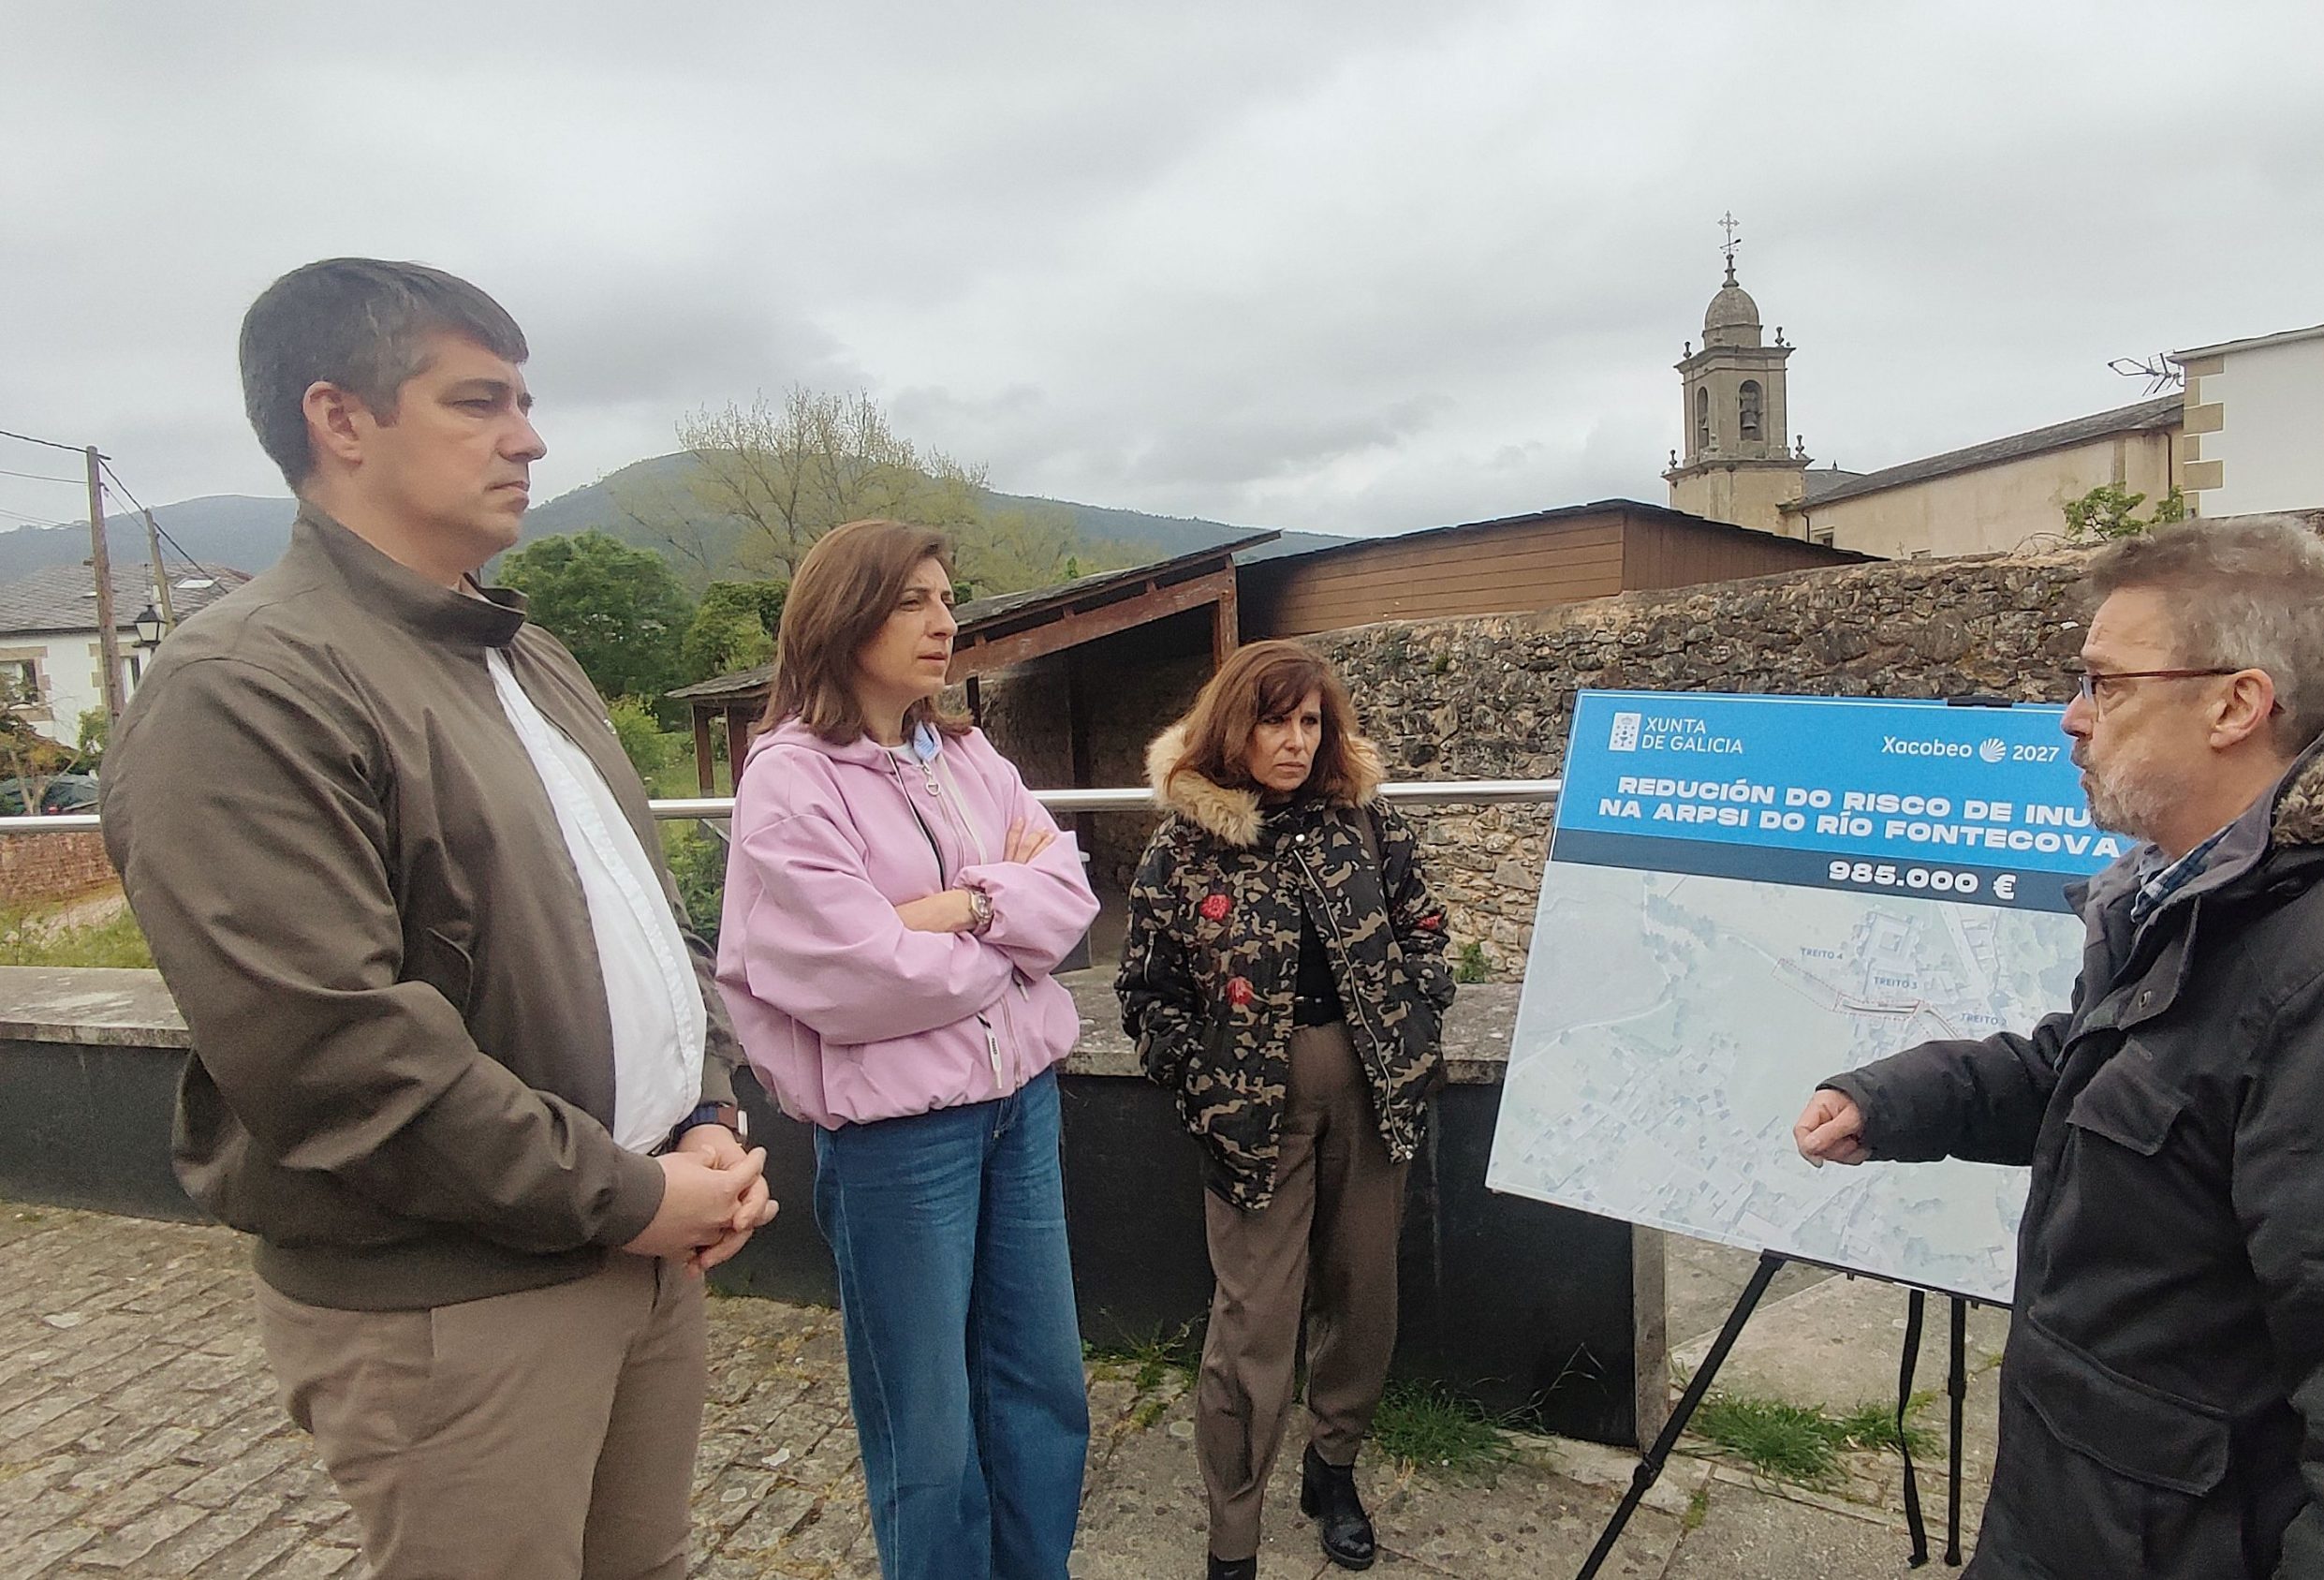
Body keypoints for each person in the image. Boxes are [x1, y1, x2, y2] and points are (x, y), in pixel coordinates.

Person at [101, 258, 775, 1580]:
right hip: (454, 1299)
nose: (528, 436)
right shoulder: (246, 686)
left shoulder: (524, 651)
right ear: (339, 418)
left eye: (524, 399)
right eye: (479, 401)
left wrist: (704, 1107)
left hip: (637, 1247)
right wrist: (632, 1190)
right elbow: (335, 1054)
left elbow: (643, 921)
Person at [1792, 516, 2324, 1579]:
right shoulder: (2201, 896)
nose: (2072, 720)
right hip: (2093, 1521)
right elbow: (2114, 1073)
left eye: (2106, 685)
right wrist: (1903, 1098)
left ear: (2235, 704)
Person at [715, 517, 1098, 1580]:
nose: (946, 622)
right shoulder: (792, 780)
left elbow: (1066, 900)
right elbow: (856, 975)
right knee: (926, 1425)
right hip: (898, 1138)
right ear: (844, 618)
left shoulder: (969, 755)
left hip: (1020, 1104)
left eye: (947, 597)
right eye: (914, 601)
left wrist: (954, 908)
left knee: (1043, 1386)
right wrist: (1003, 927)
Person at [1117, 640, 1457, 1580]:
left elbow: (1426, 928)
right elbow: (1146, 990)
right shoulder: (1184, 848)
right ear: (1235, 722)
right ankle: (1234, 1530)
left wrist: (1415, 1015)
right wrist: (1196, 1075)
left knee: (1364, 1297)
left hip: (1372, 1098)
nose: (1297, 740)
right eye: (1275, 719)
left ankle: (1333, 1463)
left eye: (1312, 721)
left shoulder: (1365, 823)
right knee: (1252, 1326)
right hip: (1246, 1118)